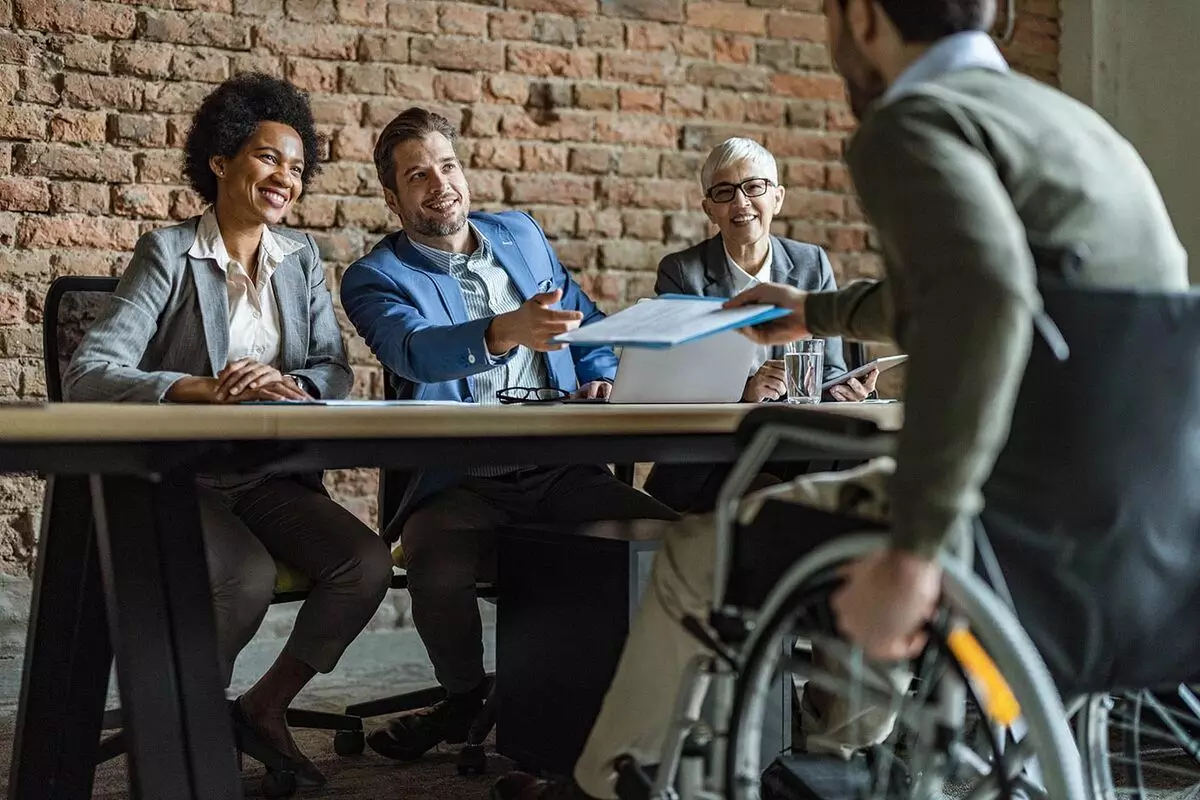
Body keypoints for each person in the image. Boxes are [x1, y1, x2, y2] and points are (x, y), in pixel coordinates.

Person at [491, 0, 1189, 797]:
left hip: (1009, 510)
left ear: (860, 18)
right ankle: (834, 758)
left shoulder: (914, 122)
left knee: (691, 556)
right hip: (1140, 510)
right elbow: (982, 284)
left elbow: (983, 307)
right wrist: (818, 312)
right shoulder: (1073, 126)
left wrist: (915, 549)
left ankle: (603, 786)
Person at [63, 74, 395, 788]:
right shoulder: (169, 253)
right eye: (270, 157)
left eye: (298, 168)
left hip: (268, 476)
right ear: (220, 161)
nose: (286, 177)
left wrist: (292, 385)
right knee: (240, 579)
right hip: (182, 476)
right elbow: (90, 371)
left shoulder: (300, 259)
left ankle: (264, 707)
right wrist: (200, 388)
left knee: (364, 564)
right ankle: (184, 729)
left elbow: (332, 368)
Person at [339, 107, 678, 763]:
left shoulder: (520, 235)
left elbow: (585, 322)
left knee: (675, 537)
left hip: (561, 470)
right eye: (417, 176)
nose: (440, 185)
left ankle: (640, 709)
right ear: (392, 195)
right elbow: (414, 351)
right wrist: (502, 333)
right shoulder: (376, 277)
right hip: (463, 481)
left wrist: (600, 375)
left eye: (447, 166)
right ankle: (464, 696)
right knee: (436, 561)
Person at [644, 137, 877, 513]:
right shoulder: (682, 272)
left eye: (754, 187)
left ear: (778, 198)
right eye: (724, 192)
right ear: (709, 209)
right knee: (787, 499)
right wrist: (745, 391)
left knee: (854, 472)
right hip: (713, 453)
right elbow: (675, 382)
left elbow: (829, 368)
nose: (741, 203)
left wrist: (848, 389)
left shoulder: (811, 264)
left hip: (794, 444)